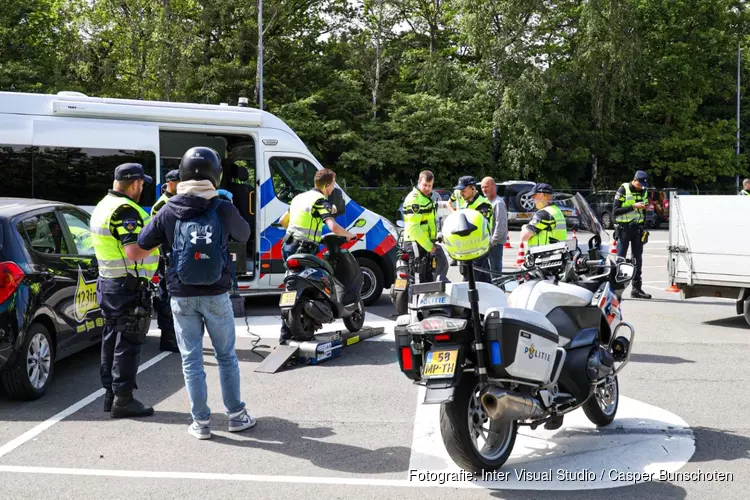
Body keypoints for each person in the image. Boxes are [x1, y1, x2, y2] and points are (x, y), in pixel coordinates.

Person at [136, 147, 255, 440]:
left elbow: (142, 241)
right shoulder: (222, 206)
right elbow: (244, 234)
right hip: (216, 293)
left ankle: (201, 422)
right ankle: (236, 415)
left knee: (191, 360)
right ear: (215, 174)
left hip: (181, 295)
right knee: (226, 356)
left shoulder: (168, 209)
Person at [89, 163, 160, 418]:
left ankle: (111, 393)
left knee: (112, 337)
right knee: (129, 341)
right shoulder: (125, 210)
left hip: (109, 284)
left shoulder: (103, 205)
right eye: (142, 183)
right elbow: (133, 252)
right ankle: (123, 399)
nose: (142, 188)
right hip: (126, 285)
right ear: (135, 183)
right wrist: (157, 240)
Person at [277, 168, 357, 344]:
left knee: (291, 287)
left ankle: (285, 334)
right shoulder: (319, 200)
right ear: (327, 185)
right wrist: (348, 235)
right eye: (333, 184)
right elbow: (333, 227)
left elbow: (283, 221)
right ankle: (314, 316)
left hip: (288, 245)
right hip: (304, 248)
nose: (333, 188)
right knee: (317, 282)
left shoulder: (299, 198)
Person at [149, 169, 180, 353]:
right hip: (166, 259)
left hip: (174, 257)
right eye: (179, 182)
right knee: (166, 300)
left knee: (173, 299)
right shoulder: (162, 205)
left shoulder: (173, 201)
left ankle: (174, 336)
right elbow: (160, 235)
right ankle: (167, 339)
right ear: (170, 183)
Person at [613, 170, 652, 300]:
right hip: (624, 230)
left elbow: (644, 210)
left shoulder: (644, 190)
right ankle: (616, 292)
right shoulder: (623, 189)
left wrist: (645, 210)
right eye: (639, 184)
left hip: (638, 230)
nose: (641, 187)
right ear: (634, 180)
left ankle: (636, 289)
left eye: (643, 185)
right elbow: (615, 211)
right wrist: (633, 206)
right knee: (621, 261)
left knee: (637, 260)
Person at [402, 171, 441, 300]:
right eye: (425, 185)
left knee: (426, 277)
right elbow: (414, 228)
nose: (427, 188)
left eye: (430, 186)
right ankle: (415, 309)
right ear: (419, 182)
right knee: (418, 278)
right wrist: (429, 245)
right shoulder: (415, 199)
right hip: (416, 242)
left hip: (423, 242)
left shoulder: (425, 198)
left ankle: (425, 308)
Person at [455, 176, 494, 283]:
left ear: (473, 188)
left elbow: (476, 228)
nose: (461, 194)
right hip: (467, 248)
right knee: (477, 279)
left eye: (463, 191)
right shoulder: (466, 203)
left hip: (478, 249)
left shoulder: (483, 204)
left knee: (473, 281)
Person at [520, 183, 567, 247]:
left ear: (541, 196)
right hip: (556, 252)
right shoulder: (556, 211)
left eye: (534, 197)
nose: (533, 200)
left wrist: (524, 227)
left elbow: (524, 237)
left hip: (544, 254)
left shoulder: (544, 214)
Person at [481, 176, 508, 275]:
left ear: (494, 186)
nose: (484, 189)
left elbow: (501, 224)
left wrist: (494, 241)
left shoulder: (498, 203)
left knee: (495, 274)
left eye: (486, 187)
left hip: (494, 244)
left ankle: (499, 290)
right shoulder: (484, 202)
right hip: (486, 243)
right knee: (487, 273)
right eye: (482, 187)